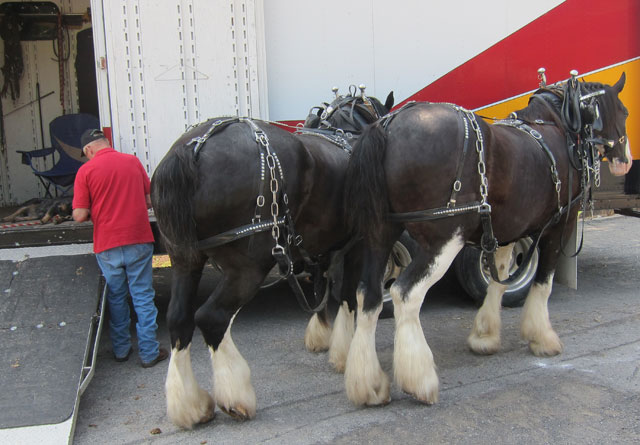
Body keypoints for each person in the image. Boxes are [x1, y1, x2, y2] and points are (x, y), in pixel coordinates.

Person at [73, 129, 168, 368]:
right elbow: (149, 200)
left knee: (116, 297)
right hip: (138, 239)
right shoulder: (132, 162)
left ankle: (121, 350)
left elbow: (80, 215)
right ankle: (149, 353)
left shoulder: (85, 171)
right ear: (106, 143)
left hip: (107, 244)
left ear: (88, 149)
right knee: (143, 295)